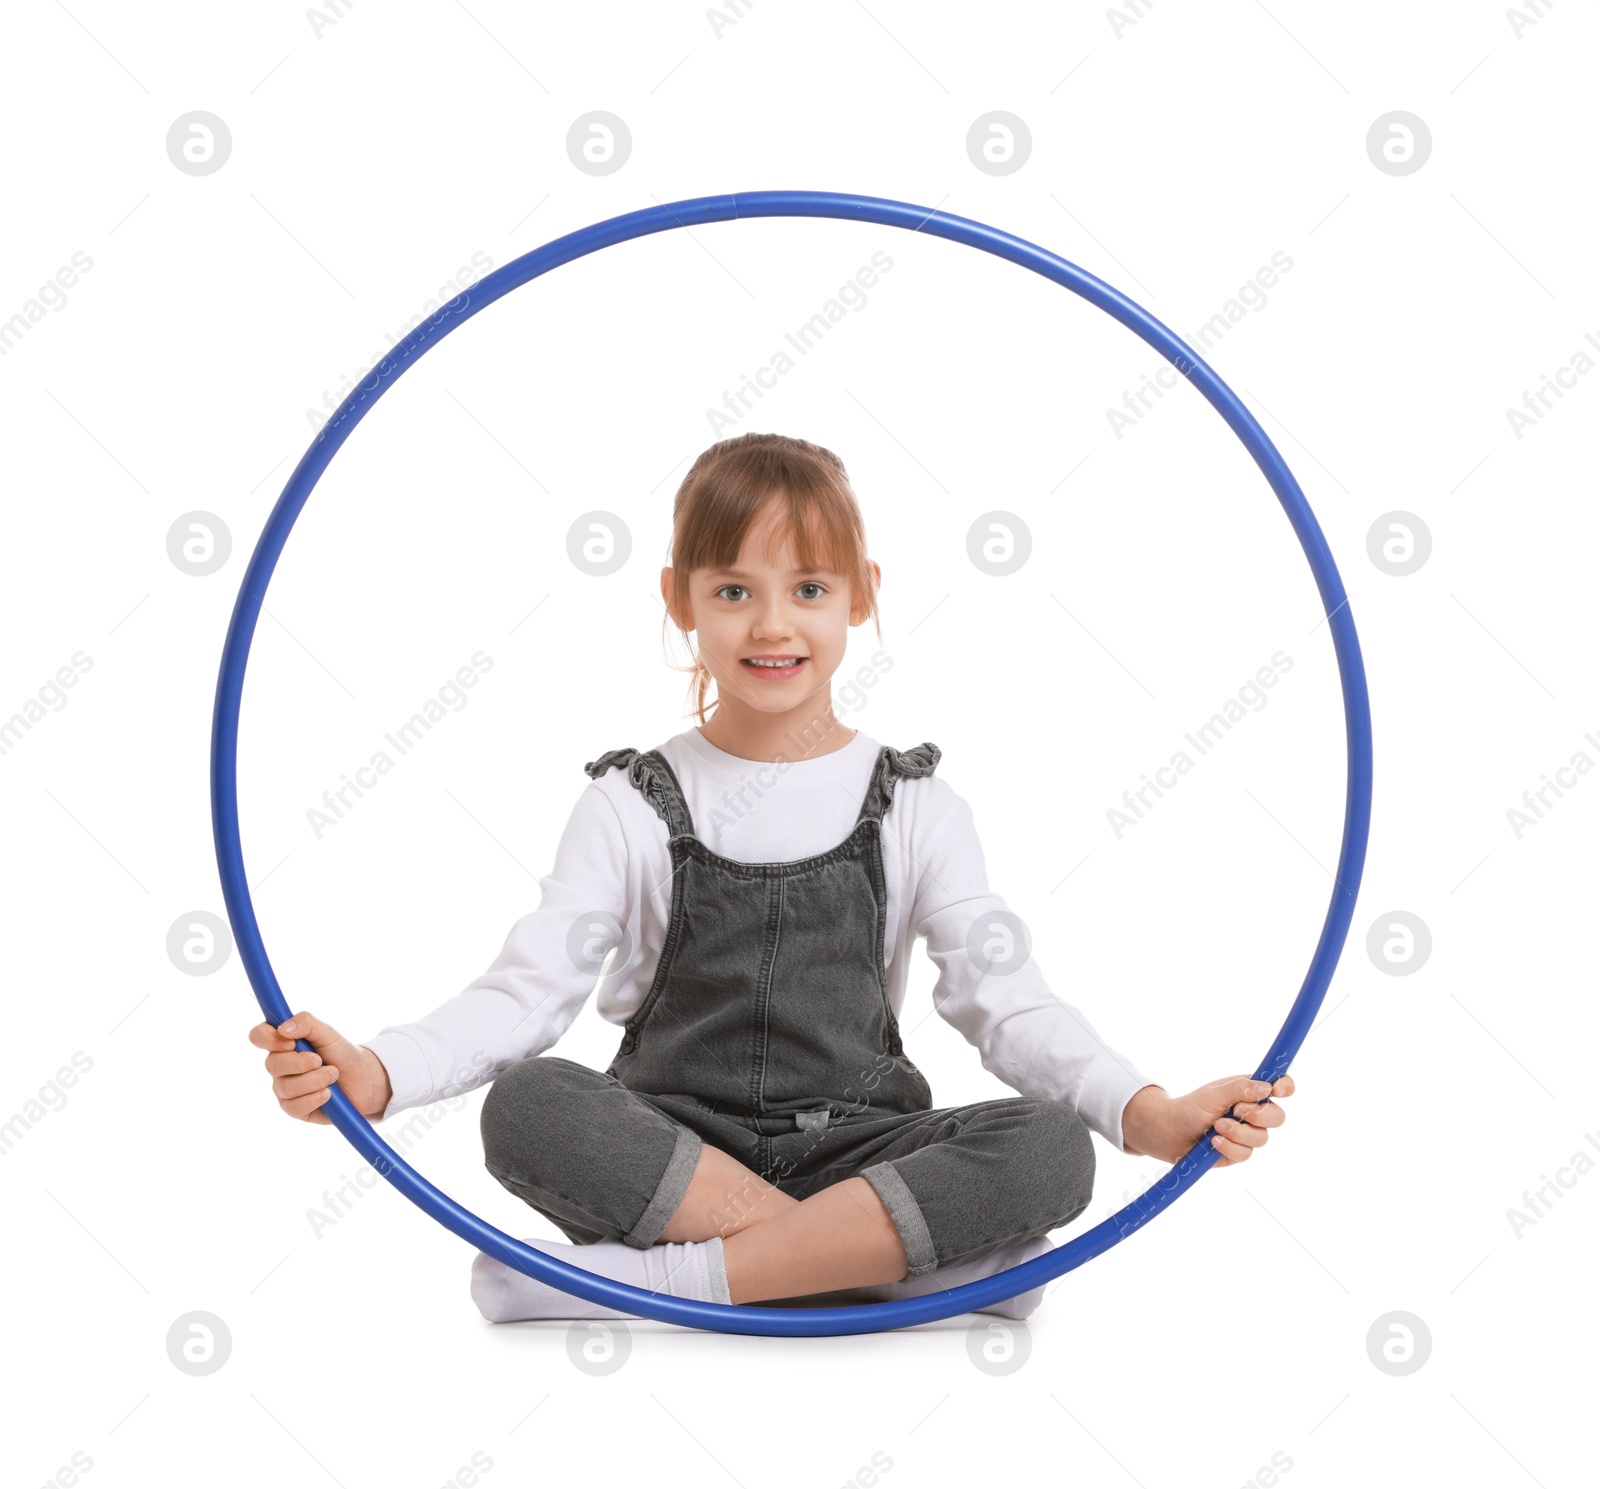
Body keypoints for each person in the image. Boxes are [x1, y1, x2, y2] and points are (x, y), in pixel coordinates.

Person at [247, 431, 1294, 1323]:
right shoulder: (631, 803)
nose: (773, 623)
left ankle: (645, 1288)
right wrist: (379, 1072)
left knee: (1048, 1150)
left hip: (862, 1147)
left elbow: (1005, 999)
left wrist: (1145, 1111)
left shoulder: (917, 803)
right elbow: (525, 994)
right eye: (734, 590)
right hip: (675, 1159)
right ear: (680, 599)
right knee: (530, 1106)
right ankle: (897, 1274)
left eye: (809, 588)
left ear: (863, 599)